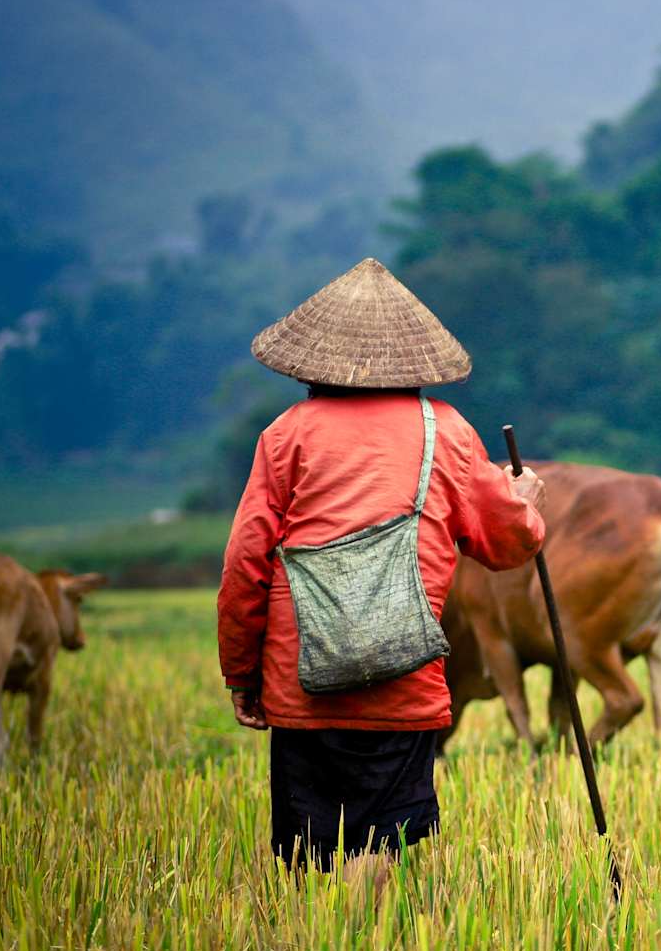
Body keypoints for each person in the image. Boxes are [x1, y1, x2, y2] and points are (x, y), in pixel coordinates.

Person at [217, 257, 545, 891]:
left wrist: (241, 670)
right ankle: (363, 934)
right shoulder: (446, 431)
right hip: (403, 674)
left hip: (299, 675)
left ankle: (317, 934)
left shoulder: (285, 435)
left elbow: (244, 564)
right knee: (380, 834)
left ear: (314, 366)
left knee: (309, 844)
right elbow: (505, 543)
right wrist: (524, 500)